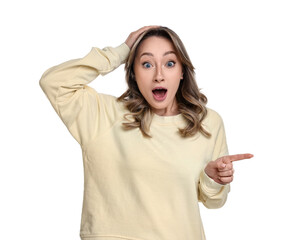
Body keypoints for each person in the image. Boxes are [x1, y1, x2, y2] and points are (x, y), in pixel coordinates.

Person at [39, 25, 253, 240]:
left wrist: (212, 179)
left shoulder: (207, 122)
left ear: (181, 72)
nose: (159, 76)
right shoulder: (104, 115)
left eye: (170, 63)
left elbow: (214, 202)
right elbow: (54, 82)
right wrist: (121, 51)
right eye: (147, 64)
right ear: (133, 72)